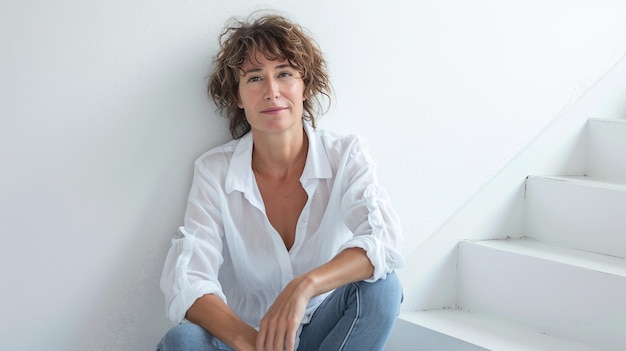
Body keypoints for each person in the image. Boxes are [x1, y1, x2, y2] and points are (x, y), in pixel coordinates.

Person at [157, 12, 405, 351]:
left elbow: (385, 239)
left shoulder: (345, 154)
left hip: (323, 335)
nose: (272, 91)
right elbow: (188, 280)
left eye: (284, 74)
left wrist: (304, 286)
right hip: (248, 341)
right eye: (255, 78)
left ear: (305, 85)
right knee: (182, 341)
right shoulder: (214, 171)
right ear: (238, 97)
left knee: (383, 287)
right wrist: (250, 341)